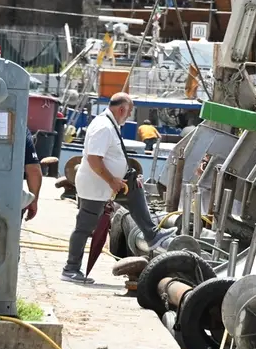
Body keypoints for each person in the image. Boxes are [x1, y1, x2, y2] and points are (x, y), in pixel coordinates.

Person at [62, 92, 175, 284]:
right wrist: (112, 180)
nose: (129, 115)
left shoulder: (110, 125)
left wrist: (124, 176)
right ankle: (70, 269)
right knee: (84, 227)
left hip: (106, 184)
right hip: (96, 186)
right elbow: (94, 159)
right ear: (121, 109)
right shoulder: (104, 127)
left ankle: (152, 235)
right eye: (129, 111)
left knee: (134, 190)